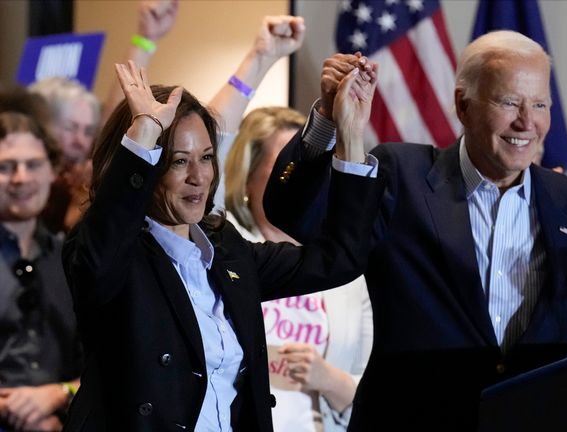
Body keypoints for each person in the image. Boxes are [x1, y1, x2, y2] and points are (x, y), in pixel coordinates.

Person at [263, 32, 567, 431]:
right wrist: (327, 120)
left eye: (539, 104)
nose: (525, 123)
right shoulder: (400, 175)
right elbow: (296, 216)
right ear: (463, 104)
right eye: (509, 101)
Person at [60, 57, 381, 431]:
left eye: (207, 158)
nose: (198, 177)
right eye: (179, 161)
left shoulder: (227, 249)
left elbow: (337, 258)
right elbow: (101, 254)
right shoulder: (108, 253)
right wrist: (145, 130)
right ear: (148, 166)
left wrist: (344, 130)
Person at [224, 107, 372, 431]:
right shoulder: (225, 254)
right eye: (284, 163)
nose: (307, 178)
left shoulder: (343, 271)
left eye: (317, 167)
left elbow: (372, 392)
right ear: (247, 176)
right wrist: (261, 58)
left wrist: (328, 379)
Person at [0, 108, 82, 431]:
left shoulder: (73, 261)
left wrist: (59, 394)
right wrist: (15, 411)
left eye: (33, 165)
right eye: (6, 167)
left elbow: (104, 365)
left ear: (53, 172)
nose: (21, 177)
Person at [28, 78, 100, 235]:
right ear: (40, 126)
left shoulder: (83, 185)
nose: (80, 141)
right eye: (70, 128)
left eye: (88, 132)